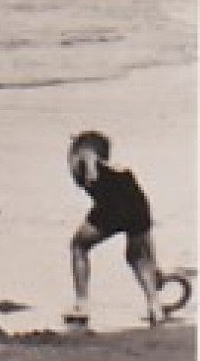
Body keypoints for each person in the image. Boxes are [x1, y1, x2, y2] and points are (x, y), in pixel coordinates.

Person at [66, 131, 167, 327]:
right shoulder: (117, 170)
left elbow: (89, 155)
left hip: (113, 205)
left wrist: (87, 163)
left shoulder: (88, 160)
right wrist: (154, 263)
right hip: (138, 204)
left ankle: (81, 304)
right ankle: (155, 306)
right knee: (137, 258)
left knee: (78, 246)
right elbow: (145, 230)